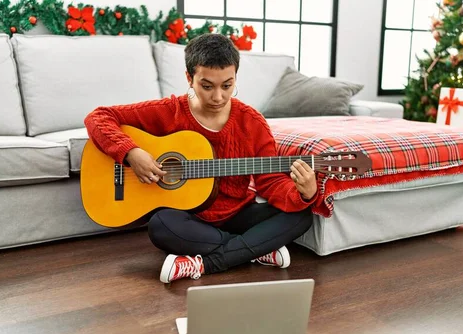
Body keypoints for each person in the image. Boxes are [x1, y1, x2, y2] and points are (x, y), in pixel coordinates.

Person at [84, 33, 317, 283]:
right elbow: (98, 117)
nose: (218, 97)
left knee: (301, 215)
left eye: (227, 86)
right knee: (161, 225)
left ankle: (205, 262)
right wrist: (131, 153)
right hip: (190, 219)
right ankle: (254, 250)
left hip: (238, 214)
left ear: (235, 77)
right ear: (189, 78)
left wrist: (303, 192)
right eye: (207, 86)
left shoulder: (251, 122)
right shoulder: (170, 111)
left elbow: (269, 182)